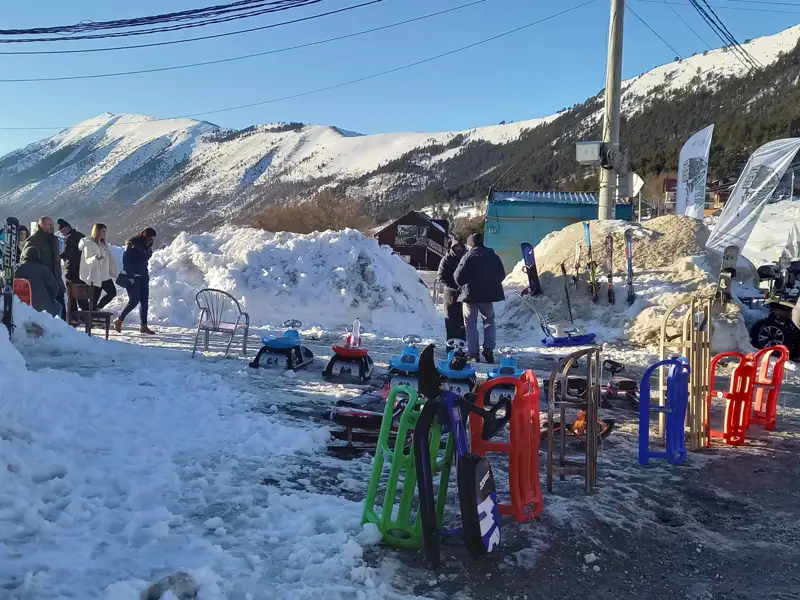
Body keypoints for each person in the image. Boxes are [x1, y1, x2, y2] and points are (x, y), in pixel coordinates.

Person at [453, 232, 506, 364]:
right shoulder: (493, 256)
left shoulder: (468, 256)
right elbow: (501, 274)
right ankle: (489, 350)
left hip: (470, 296)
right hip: (487, 296)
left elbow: (458, 277)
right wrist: (491, 284)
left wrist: (466, 283)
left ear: (470, 244)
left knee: (470, 324)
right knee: (489, 320)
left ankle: (473, 354)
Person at [115, 227, 157, 335]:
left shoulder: (147, 245)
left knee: (144, 301)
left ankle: (144, 325)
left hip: (143, 275)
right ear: (144, 236)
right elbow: (126, 260)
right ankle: (119, 319)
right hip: (133, 276)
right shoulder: (132, 244)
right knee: (134, 300)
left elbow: (145, 258)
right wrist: (130, 276)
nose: (151, 241)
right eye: (149, 239)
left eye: (152, 239)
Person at [23, 216, 66, 316]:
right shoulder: (33, 241)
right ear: (42, 225)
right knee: (47, 312)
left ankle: (64, 330)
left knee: (61, 309)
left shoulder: (54, 240)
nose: (52, 227)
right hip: (43, 280)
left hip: (56, 279)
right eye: (49, 225)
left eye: (53, 225)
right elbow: (25, 259)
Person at [79, 223, 119, 310]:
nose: (104, 234)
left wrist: (113, 270)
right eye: (103, 231)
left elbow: (109, 257)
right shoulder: (89, 244)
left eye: (105, 232)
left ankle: (98, 308)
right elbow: (87, 259)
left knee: (112, 292)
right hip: (95, 276)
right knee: (94, 298)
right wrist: (95, 258)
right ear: (97, 231)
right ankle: (92, 315)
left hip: (105, 275)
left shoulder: (103, 244)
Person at [436, 235, 467, 342]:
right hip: (450, 295)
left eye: (460, 246)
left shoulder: (466, 258)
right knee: (451, 321)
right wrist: (453, 286)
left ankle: (462, 346)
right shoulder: (446, 259)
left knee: (463, 322)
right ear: (452, 247)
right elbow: (440, 276)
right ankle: (451, 346)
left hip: (464, 295)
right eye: (456, 246)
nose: (459, 248)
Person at [15, 246, 61, 316]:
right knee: (59, 307)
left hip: (22, 306)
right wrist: (49, 297)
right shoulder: (43, 269)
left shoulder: (18, 269)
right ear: (38, 256)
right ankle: (57, 326)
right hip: (43, 307)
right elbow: (55, 288)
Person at [58, 218, 89, 312]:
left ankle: (73, 314)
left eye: (62, 230)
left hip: (71, 269)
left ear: (67, 228)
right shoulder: (81, 236)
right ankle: (86, 312)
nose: (61, 232)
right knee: (81, 292)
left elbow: (67, 254)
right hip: (82, 269)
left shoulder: (69, 238)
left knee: (71, 294)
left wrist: (58, 254)